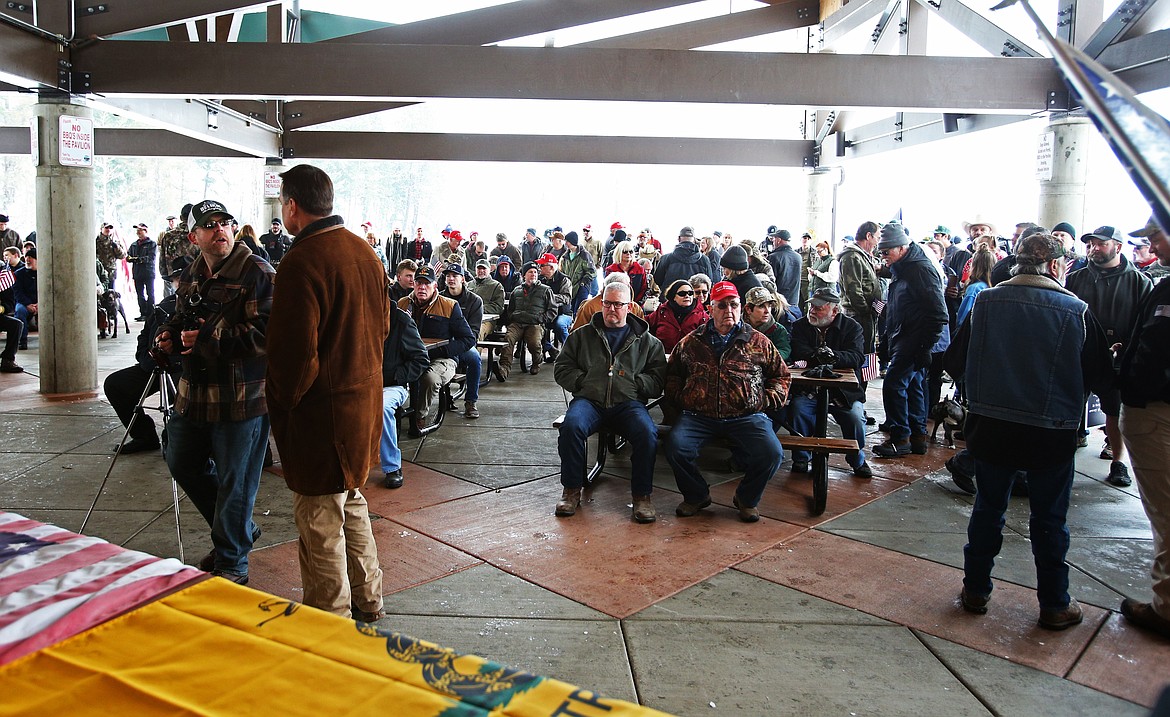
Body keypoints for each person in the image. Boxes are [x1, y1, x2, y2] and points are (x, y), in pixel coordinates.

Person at [949, 233, 1111, 631]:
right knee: (1050, 520)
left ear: (1015, 263)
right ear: (1056, 266)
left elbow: (955, 360)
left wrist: (984, 391)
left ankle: (975, 590)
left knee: (988, 509)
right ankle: (1055, 604)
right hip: (1050, 433)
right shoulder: (1076, 311)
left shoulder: (986, 302)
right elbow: (1102, 377)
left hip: (991, 428)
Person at [265, 165, 389, 621]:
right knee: (352, 502)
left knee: (320, 522)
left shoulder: (301, 262)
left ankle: (328, 622)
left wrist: (282, 403)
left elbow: (297, 357)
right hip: (362, 411)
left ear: (293, 206)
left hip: (321, 419)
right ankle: (368, 600)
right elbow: (384, 329)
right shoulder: (364, 251)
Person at [156, 199, 275, 585]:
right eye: (210, 225)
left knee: (235, 481)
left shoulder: (257, 271)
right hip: (194, 393)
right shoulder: (193, 271)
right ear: (194, 236)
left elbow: (272, 334)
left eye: (225, 223)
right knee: (181, 461)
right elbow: (182, 315)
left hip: (241, 398)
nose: (220, 230)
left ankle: (232, 562)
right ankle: (240, 532)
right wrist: (170, 337)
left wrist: (209, 338)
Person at [664, 281, 790, 523]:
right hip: (699, 416)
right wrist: (683, 399)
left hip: (746, 416)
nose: (728, 311)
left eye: (734, 305)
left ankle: (747, 498)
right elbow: (673, 376)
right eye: (722, 306)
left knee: (772, 453)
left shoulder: (758, 341)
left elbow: (780, 375)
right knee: (676, 447)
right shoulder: (692, 341)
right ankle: (696, 495)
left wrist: (766, 399)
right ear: (710, 309)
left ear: (741, 308)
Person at [553, 281, 667, 522]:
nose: (611, 309)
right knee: (571, 427)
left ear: (630, 307)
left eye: (618, 304)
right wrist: (584, 382)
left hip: (628, 404)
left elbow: (657, 380)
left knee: (647, 434)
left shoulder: (648, 342)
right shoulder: (581, 336)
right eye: (607, 303)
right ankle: (571, 490)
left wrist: (633, 383)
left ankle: (642, 496)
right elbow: (561, 368)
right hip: (589, 400)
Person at [1065, 225, 1152, 487]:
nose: (1093, 248)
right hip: (1079, 355)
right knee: (1069, 407)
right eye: (1091, 244)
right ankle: (1061, 461)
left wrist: (1126, 350)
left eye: (1100, 244)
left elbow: (1144, 324)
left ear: (1118, 246)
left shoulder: (1139, 282)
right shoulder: (1077, 277)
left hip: (1117, 359)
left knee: (1114, 411)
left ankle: (1118, 463)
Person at [1116, 216, 1170, 639]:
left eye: (1155, 234)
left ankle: (1166, 608)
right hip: (1152, 407)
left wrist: (1131, 386)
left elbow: (1154, 353)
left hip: (1156, 411)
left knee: (1165, 514)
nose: (1151, 243)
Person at [871, 222, 948, 457]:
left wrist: (925, 346)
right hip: (905, 337)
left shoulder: (919, 270)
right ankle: (917, 437)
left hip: (913, 339)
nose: (883, 258)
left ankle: (900, 437)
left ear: (902, 248)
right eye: (881, 253)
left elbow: (938, 313)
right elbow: (897, 308)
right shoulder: (904, 268)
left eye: (886, 253)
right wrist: (886, 341)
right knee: (914, 386)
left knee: (894, 385)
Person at [104, 257, 187, 454]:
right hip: (154, 366)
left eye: (184, 278)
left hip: (184, 369)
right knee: (116, 384)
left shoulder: (200, 305)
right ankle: (144, 435)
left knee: (184, 397)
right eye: (177, 279)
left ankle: (175, 442)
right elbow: (144, 336)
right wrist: (146, 359)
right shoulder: (163, 305)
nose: (180, 283)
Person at [788, 288, 871, 477]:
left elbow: (857, 356)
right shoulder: (801, 326)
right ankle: (801, 457)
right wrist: (818, 355)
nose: (812, 311)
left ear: (834, 311)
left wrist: (834, 357)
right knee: (798, 410)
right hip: (809, 388)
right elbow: (798, 350)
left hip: (842, 391)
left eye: (818, 308)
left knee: (855, 418)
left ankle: (857, 459)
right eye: (811, 306)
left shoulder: (852, 327)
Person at [398, 265, 476, 428]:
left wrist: (443, 350)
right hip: (409, 357)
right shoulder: (402, 304)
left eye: (427, 283)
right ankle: (392, 414)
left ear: (435, 286)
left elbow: (468, 339)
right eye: (419, 283)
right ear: (413, 284)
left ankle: (419, 416)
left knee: (430, 378)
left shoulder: (449, 306)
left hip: (442, 359)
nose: (422, 287)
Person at [379, 306, 431, 490]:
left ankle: (392, 466)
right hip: (361, 383)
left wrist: (393, 376)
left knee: (382, 407)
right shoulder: (355, 317)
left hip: (393, 385)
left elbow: (421, 360)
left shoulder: (400, 320)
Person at [440, 263, 484, 418]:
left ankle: (471, 401)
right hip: (442, 343)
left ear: (463, 279)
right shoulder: (438, 298)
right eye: (448, 276)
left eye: (455, 276)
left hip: (464, 344)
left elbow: (473, 333)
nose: (451, 279)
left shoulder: (475, 301)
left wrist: (456, 346)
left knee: (474, 358)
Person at [495, 262, 553, 380]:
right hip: (517, 323)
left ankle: (537, 361)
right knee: (508, 339)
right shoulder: (516, 291)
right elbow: (510, 309)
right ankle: (504, 369)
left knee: (533, 342)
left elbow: (552, 310)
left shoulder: (546, 290)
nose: (533, 274)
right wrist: (513, 317)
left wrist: (540, 319)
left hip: (535, 323)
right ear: (524, 275)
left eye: (535, 272)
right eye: (530, 272)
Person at [646, 279, 709, 354]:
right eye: (682, 294)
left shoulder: (702, 315)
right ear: (673, 297)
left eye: (690, 293)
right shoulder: (662, 311)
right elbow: (645, 326)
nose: (687, 296)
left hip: (689, 359)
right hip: (663, 357)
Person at [570, 272, 644, 332]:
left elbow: (641, 332)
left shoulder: (635, 307)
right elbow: (576, 334)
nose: (612, 309)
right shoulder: (589, 307)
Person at [654, 226, 714, 290]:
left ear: (679, 238)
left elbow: (658, 279)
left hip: (670, 298)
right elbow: (708, 282)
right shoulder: (704, 260)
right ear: (694, 239)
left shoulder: (665, 258)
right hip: (695, 298)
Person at [537, 253, 573, 354]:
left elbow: (566, 298)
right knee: (533, 325)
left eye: (542, 266)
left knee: (559, 325)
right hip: (545, 313)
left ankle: (570, 351)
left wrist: (549, 297)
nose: (540, 268)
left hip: (563, 313)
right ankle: (550, 348)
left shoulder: (564, 280)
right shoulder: (540, 279)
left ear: (551, 267)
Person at [743, 286, 791, 360]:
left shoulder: (778, 330)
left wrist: (765, 358)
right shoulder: (735, 328)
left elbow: (784, 350)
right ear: (748, 309)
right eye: (761, 306)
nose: (767, 311)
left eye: (769, 306)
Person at [158, 208, 193, 298]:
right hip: (194, 276)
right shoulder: (198, 234)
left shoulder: (168, 236)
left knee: (173, 302)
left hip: (174, 276)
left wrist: (165, 275)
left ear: (181, 218)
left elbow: (162, 259)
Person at [127, 224, 157, 321]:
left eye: (140, 230)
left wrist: (137, 259)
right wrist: (132, 259)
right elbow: (128, 256)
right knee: (140, 294)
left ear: (146, 231)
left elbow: (151, 258)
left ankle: (151, 313)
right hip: (137, 273)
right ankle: (143, 313)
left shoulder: (152, 244)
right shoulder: (134, 245)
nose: (138, 232)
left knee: (150, 293)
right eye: (137, 231)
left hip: (148, 273)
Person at [559, 231, 596, 312]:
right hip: (569, 287)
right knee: (571, 309)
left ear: (572, 241)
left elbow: (592, 271)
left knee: (579, 310)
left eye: (567, 241)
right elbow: (562, 271)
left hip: (581, 287)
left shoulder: (584, 255)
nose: (566, 243)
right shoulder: (565, 256)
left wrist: (583, 283)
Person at [765, 229, 802, 307]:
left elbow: (770, 282)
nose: (773, 242)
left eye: (774, 239)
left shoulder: (774, 257)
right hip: (794, 301)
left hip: (779, 302)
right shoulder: (798, 257)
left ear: (779, 240)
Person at [469, 259, 505, 339]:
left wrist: (478, 309)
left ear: (489, 270)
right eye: (479, 268)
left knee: (476, 333)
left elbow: (498, 307)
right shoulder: (468, 285)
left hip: (487, 321)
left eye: (484, 269)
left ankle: (476, 351)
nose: (481, 271)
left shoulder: (496, 286)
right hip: (468, 318)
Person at [605, 240, 649, 304]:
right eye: (625, 252)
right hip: (617, 305)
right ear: (619, 253)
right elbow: (607, 289)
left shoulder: (640, 269)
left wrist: (636, 304)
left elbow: (644, 288)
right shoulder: (611, 270)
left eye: (631, 251)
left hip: (636, 305)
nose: (628, 254)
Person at [12, 247, 37, 350]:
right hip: (24, 302)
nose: (27, 260)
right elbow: (17, 292)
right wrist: (28, 304)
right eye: (26, 257)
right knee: (20, 311)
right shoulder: (18, 274)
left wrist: (40, 304)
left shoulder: (46, 273)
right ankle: (22, 341)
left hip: (42, 302)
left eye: (31, 257)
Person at [805, 238, 839, 307]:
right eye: (817, 252)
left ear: (826, 250)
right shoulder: (818, 261)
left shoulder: (833, 261)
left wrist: (816, 273)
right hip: (815, 290)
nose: (818, 254)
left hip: (827, 293)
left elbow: (832, 277)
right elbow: (812, 277)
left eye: (819, 251)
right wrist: (811, 274)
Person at [95, 223, 126, 292]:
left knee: (111, 292)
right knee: (100, 291)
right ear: (101, 229)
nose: (108, 230)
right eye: (106, 228)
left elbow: (122, 256)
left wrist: (117, 248)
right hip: (99, 271)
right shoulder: (96, 241)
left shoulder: (115, 241)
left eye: (110, 228)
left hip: (111, 272)